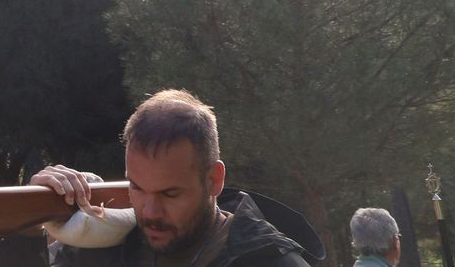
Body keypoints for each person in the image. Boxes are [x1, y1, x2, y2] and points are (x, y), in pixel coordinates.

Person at [32, 89, 319, 267]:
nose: (149, 212)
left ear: (214, 180)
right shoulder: (104, 250)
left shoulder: (274, 263)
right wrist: (33, 213)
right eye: (138, 188)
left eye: (170, 194)